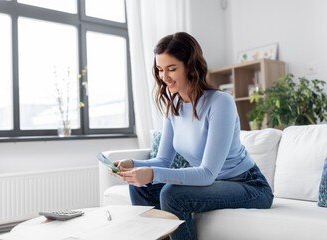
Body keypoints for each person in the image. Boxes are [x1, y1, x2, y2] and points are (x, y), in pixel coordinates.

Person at [112, 32, 273, 240]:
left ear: (190, 66)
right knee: (140, 187)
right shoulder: (174, 107)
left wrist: (152, 173)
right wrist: (132, 165)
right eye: (160, 70)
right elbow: (163, 161)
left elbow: (207, 174)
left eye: (171, 69)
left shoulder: (220, 103)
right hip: (212, 184)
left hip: (248, 185)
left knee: (172, 194)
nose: (164, 77)